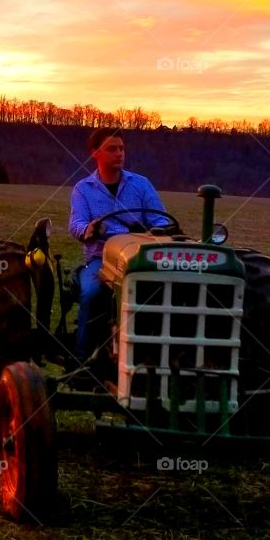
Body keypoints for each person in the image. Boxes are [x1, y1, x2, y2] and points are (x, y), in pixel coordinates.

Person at [68, 128, 169, 364]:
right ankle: (82, 358)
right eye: (112, 149)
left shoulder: (141, 184)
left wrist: (160, 229)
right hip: (102, 260)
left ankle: (157, 355)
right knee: (91, 293)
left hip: (142, 259)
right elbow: (77, 224)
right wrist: (88, 229)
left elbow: (160, 220)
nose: (119, 153)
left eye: (121, 148)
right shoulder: (83, 189)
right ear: (95, 153)